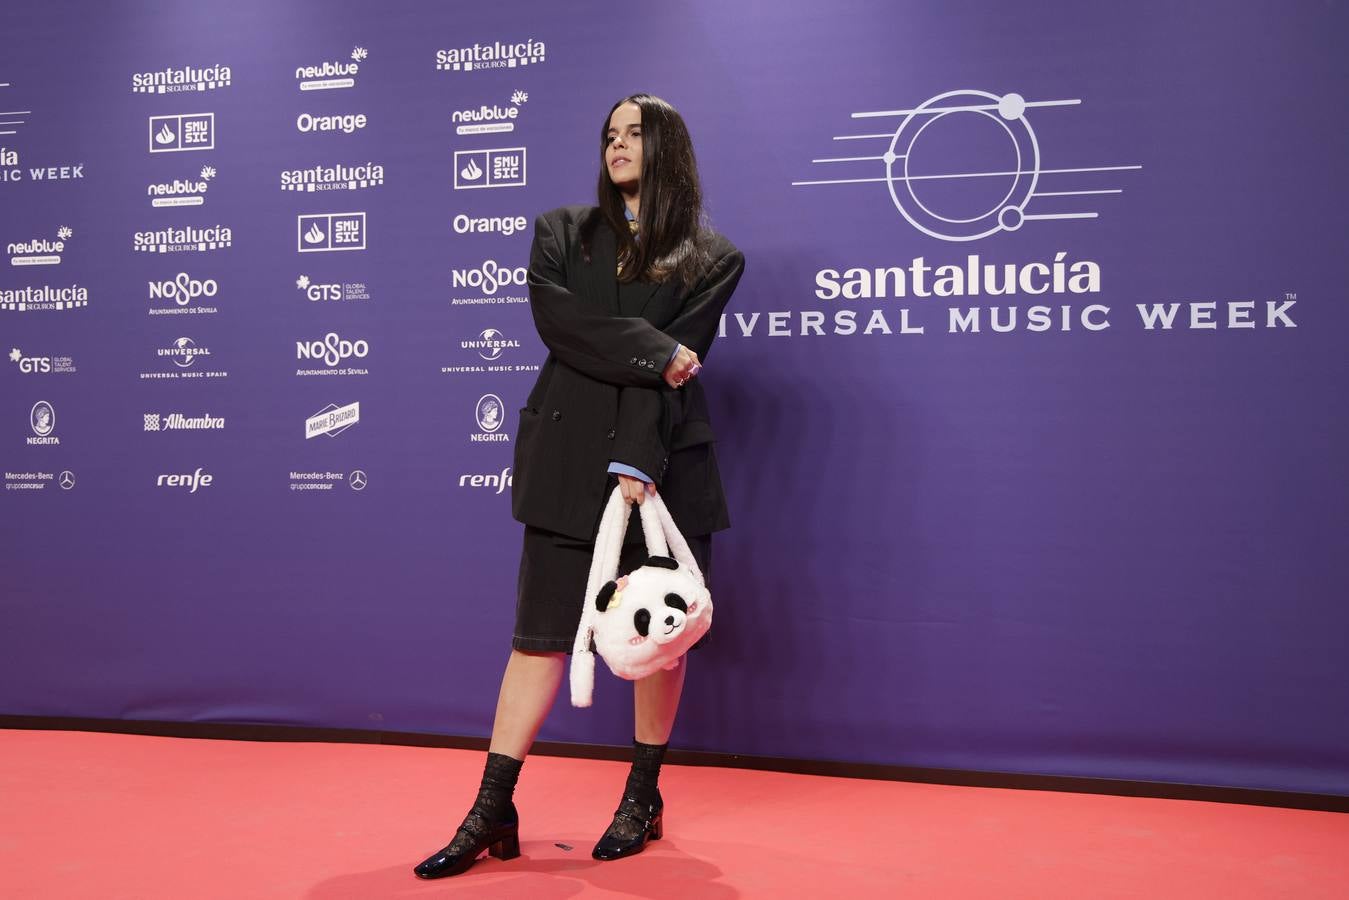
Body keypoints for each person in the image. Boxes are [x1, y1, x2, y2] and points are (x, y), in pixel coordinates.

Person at [413, 93, 745, 879]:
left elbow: (677, 366)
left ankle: (642, 794)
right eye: (609, 135)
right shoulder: (560, 232)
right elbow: (564, 326)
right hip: (565, 457)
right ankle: (493, 807)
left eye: (634, 133)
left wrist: (636, 460)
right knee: (538, 640)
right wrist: (648, 349)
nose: (617, 145)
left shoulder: (713, 255)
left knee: (659, 644)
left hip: (663, 464)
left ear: (668, 148)